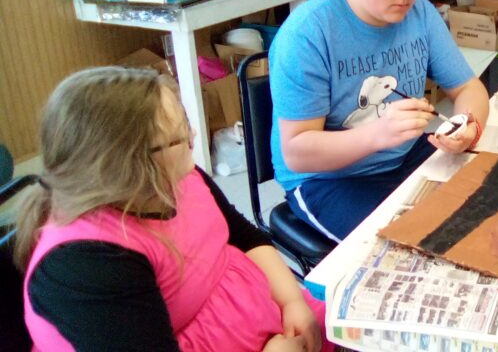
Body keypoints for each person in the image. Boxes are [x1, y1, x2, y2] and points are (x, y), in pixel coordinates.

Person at [13, 67, 330, 352]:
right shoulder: (86, 264)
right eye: (180, 136)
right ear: (132, 164)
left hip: (268, 322)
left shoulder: (177, 176)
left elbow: (245, 237)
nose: (192, 136)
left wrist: (291, 301)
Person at [270, 0, 490, 243]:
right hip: (327, 180)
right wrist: (378, 134)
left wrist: (468, 125)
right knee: (413, 246)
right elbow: (298, 152)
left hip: (401, 157)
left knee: (489, 199)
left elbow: (468, 87)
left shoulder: (421, 15)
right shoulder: (307, 34)